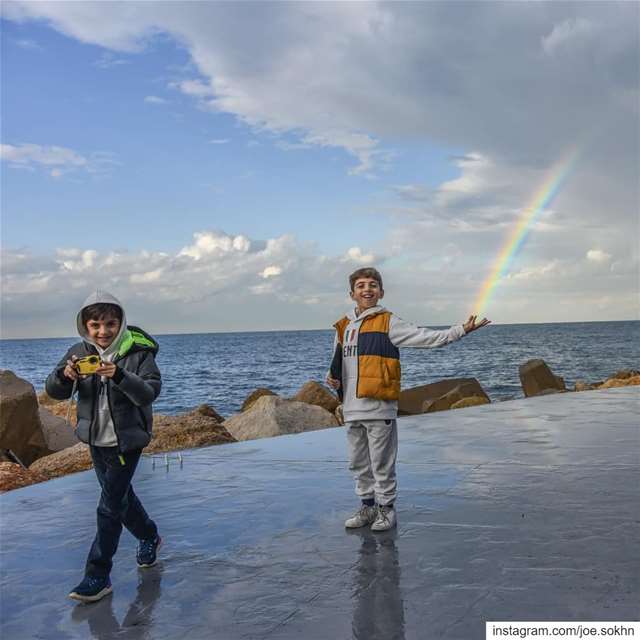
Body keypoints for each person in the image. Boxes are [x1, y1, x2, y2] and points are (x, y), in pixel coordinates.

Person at [327, 268, 489, 532]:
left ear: (381, 292)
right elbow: (340, 363)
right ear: (352, 294)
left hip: (379, 406)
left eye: (372, 285)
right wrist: (331, 378)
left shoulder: (388, 322)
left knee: (382, 463)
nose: (367, 289)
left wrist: (461, 330)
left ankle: (386, 510)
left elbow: (427, 338)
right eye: (361, 286)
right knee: (358, 462)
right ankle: (367, 507)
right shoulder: (343, 326)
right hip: (351, 408)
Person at [45, 290, 162, 603]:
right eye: (95, 324)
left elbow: (150, 392)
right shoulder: (78, 351)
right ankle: (149, 535)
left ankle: (97, 575)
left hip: (127, 441)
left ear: (121, 322)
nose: (103, 331)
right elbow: (54, 391)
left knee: (108, 507)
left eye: (110, 323)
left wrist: (120, 375)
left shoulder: (138, 352)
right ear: (85, 325)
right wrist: (64, 375)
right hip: (97, 441)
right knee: (121, 500)